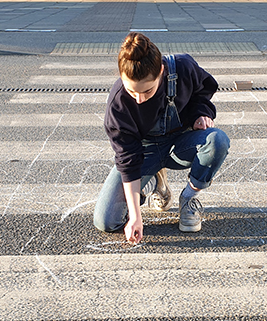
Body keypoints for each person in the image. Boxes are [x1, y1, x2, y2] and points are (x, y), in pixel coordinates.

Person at [93, 32, 230, 244]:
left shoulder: (183, 67)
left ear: (161, 72)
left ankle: (188, 199)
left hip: (181, 145)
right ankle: (155, 181)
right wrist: (136, 217)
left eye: (147, 91)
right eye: (132, 91)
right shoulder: (118, 105)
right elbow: (127, 160)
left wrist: (201, 114)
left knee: (217, 140)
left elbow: (203, 90)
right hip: (143, 152)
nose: (139, 99)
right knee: (106, 221)